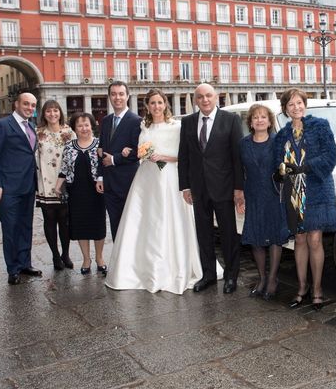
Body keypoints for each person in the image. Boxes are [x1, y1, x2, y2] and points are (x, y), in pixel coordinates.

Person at [106, 89, 204, 294]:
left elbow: (184, 155)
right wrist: (138, 153)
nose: (156, 106)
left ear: (165, 104)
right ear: (147, 106)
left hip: (169, 178)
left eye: (160, 102)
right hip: (146, 179)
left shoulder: (176, 126)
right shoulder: (144, 125)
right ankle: (139, 269)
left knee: (169, 220)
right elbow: (139, 150)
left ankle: (172, 269)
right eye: (152, 103)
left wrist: (163, 157)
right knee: (145, 221)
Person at [274, 88, 336, 311]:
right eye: (291, 105)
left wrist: (307, 167)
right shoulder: (282, 135)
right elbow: (277, 162)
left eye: (299, 103)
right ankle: (301, 288)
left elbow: (331, 155)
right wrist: (281, 170)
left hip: (317, 188)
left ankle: (318, 290)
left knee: (314, 240)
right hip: (294, 192)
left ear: (305, 104)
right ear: (285, 109)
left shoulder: (320, 125)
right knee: (299, 240)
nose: (296, 107)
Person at [178, 83, 244, 294]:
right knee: (203, 233)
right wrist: (185, 186)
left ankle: (231, 276)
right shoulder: (187, 122)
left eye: (208, 96)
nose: (204, 100)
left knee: (228, 234)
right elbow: (184, 156)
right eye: (200, 97)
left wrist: (238, 188)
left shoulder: (231, 120)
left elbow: (237, 157)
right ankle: (208, 275)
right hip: (198, 187)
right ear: (195, 100)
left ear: (216, 97)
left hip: (224, 187)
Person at [0, 92, 43, 285]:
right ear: (16, 104)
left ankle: (25, 263)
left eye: (33, 105)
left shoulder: (32, 126)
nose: (30, 108)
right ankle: (13, 269)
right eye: (26, 104)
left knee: (26, 227)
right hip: (8, 188)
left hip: (28, 186)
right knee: (10, 228)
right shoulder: (1, 125)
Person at [239, 104, 290, 300]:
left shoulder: (278, 142)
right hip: (252, 194)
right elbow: (239, 171)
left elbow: (285, 169)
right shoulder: (243, 144)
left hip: (274, 195)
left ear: (269, 122)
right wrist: (239, 195)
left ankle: (272, 279)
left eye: (263, 117)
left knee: (274, 237)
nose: (259, 120)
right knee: (256, 237)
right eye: (255, 117)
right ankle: (261, 278)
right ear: (250, 122)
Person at [56, 113, 106, 274]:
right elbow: (64, 169)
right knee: (80, 226)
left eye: (86, 125)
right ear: (75, 129)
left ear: (92, 126)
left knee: (98, 226)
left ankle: (99, 257)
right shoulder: (69, 146)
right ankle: (86, 259)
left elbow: (106, 166)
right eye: (80, 125)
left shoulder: (100, 144)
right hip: (76, 192)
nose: (84, 128)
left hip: (96, 192)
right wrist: (57, 187)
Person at [96, 81, 141, 241]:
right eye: (113, 94)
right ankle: (118, 261)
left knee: (130, 225)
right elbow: (101, 149)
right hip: (108, 184)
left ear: (127, 96)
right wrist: (100, 177)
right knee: (115, 225)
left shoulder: (136, 120)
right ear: (109, 97)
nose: (117, 97)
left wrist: (115, 159)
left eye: (121, 94)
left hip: (127, 183)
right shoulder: (106, 120)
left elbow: (138, 152)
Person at [35, 100, 75, 270]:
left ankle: (66, 254)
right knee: (49, 220)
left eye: (55, 111)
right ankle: (55, 256)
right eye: (49, 111)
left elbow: (75, 155)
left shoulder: (69, 132)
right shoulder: (37, 133)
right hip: (45, 181)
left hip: (64, 182)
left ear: (60, 112)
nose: (52, 114)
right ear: (44, 114)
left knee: (65, 221)